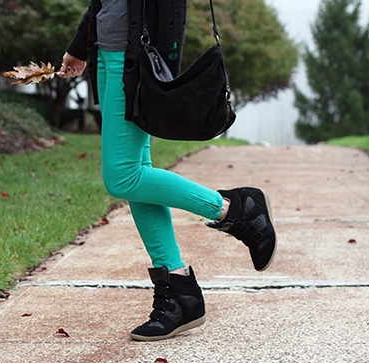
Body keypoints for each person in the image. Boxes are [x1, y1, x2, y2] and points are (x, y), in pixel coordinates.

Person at [58, 0, 276, 341]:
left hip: (132, 58)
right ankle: (179, 294)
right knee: (136, 174)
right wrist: (80, 45)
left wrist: (161, 63)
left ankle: (234, 209)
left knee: (124, 177)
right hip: (108, 53)